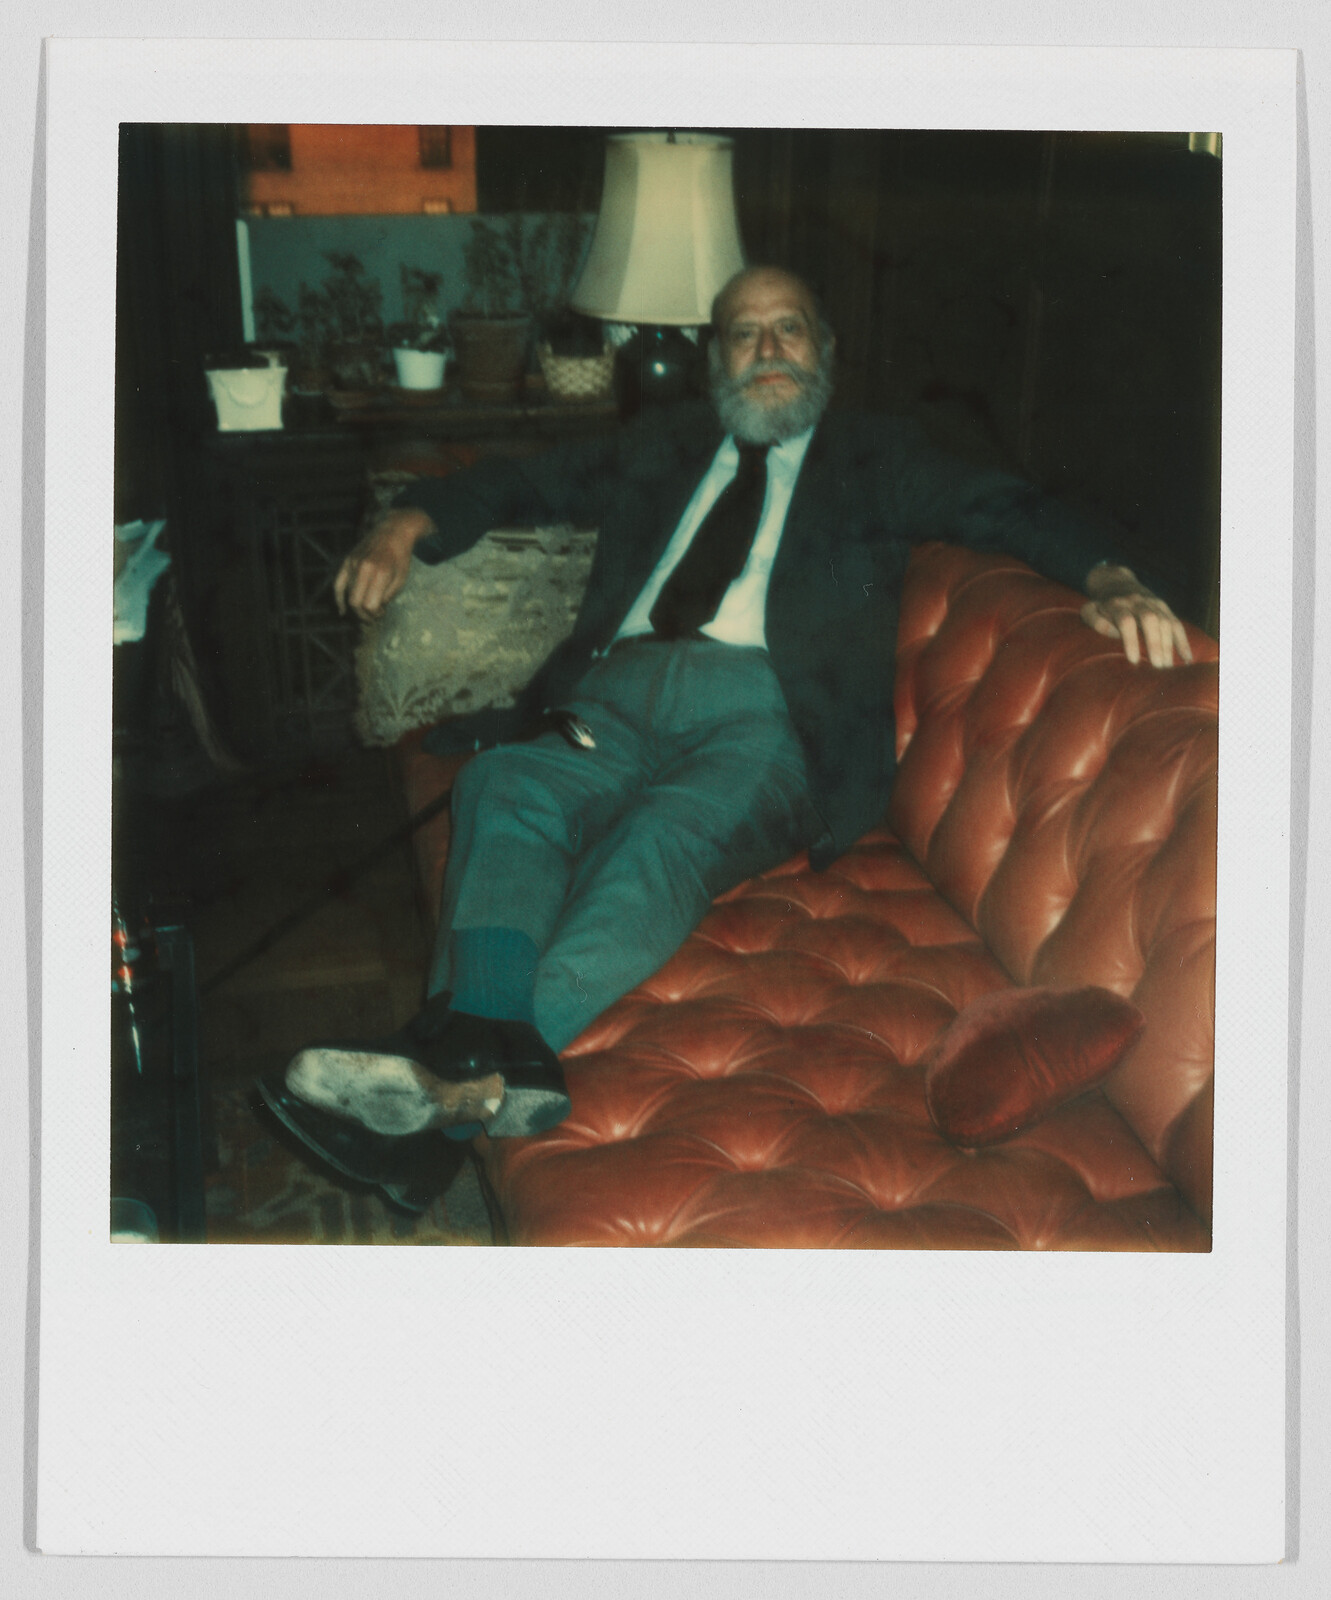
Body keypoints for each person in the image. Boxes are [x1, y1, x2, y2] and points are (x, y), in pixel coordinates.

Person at [258, 265, 1192, 1211]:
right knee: (503, 786)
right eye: (745, 335)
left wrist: (1108, 575)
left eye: (789, 330)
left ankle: (447, 1086)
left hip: (764, 721)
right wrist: (409, 519)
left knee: (656, 841)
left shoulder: (877, 457)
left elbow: (1011, 505)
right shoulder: (662, 446)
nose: (768, 352)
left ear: (824, 351)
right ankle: (459, 1092)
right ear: (716, 359)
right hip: (612, 701)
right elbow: (522, 482)